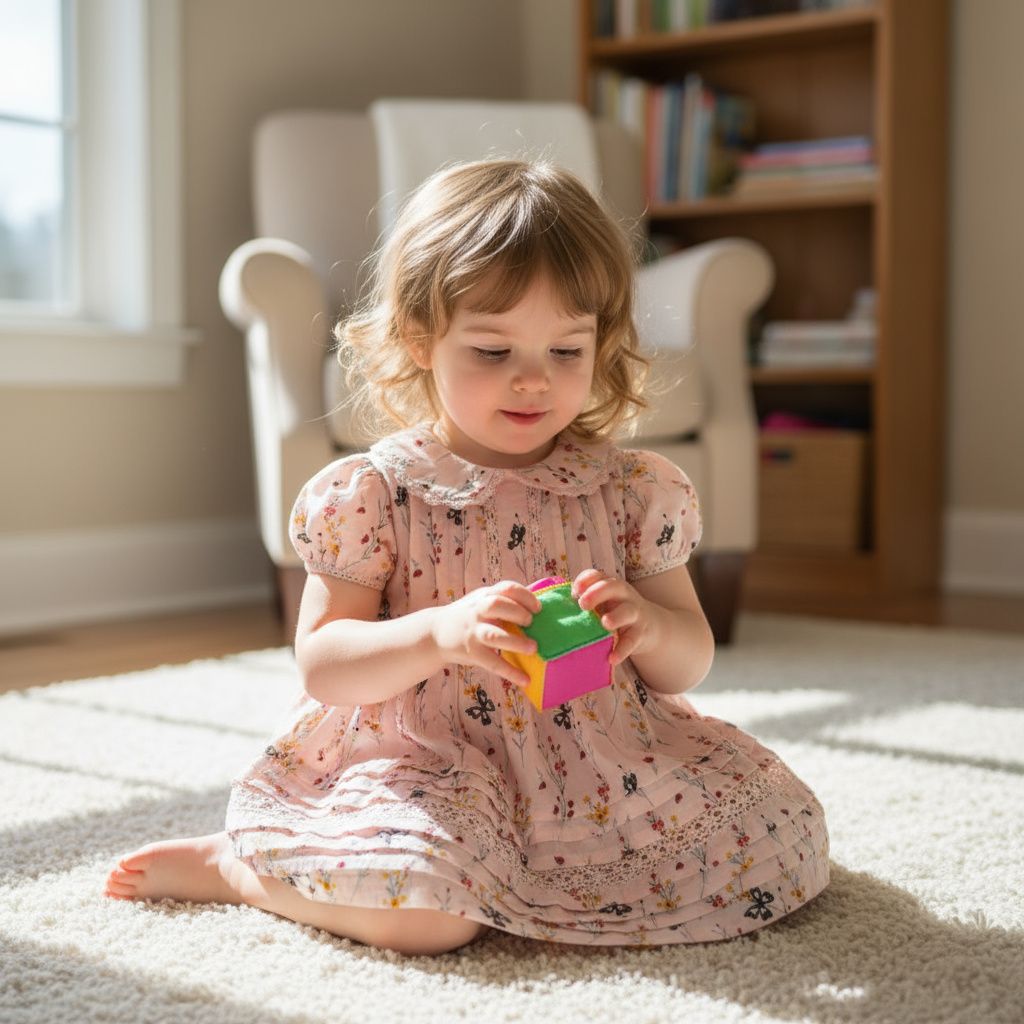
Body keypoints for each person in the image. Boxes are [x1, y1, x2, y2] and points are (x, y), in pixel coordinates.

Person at [105, 159, 829, 955]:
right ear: (421, 338)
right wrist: (440, 634)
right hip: (424, 758)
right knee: (430, 920)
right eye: (492, 351)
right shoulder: (373, 494)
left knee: (775, 837)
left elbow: (689, 659)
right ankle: (240, 871)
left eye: (566, 350)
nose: (533, 380)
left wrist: (648, 629)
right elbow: (323, 662)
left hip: (596, 756)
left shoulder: (630, 490)